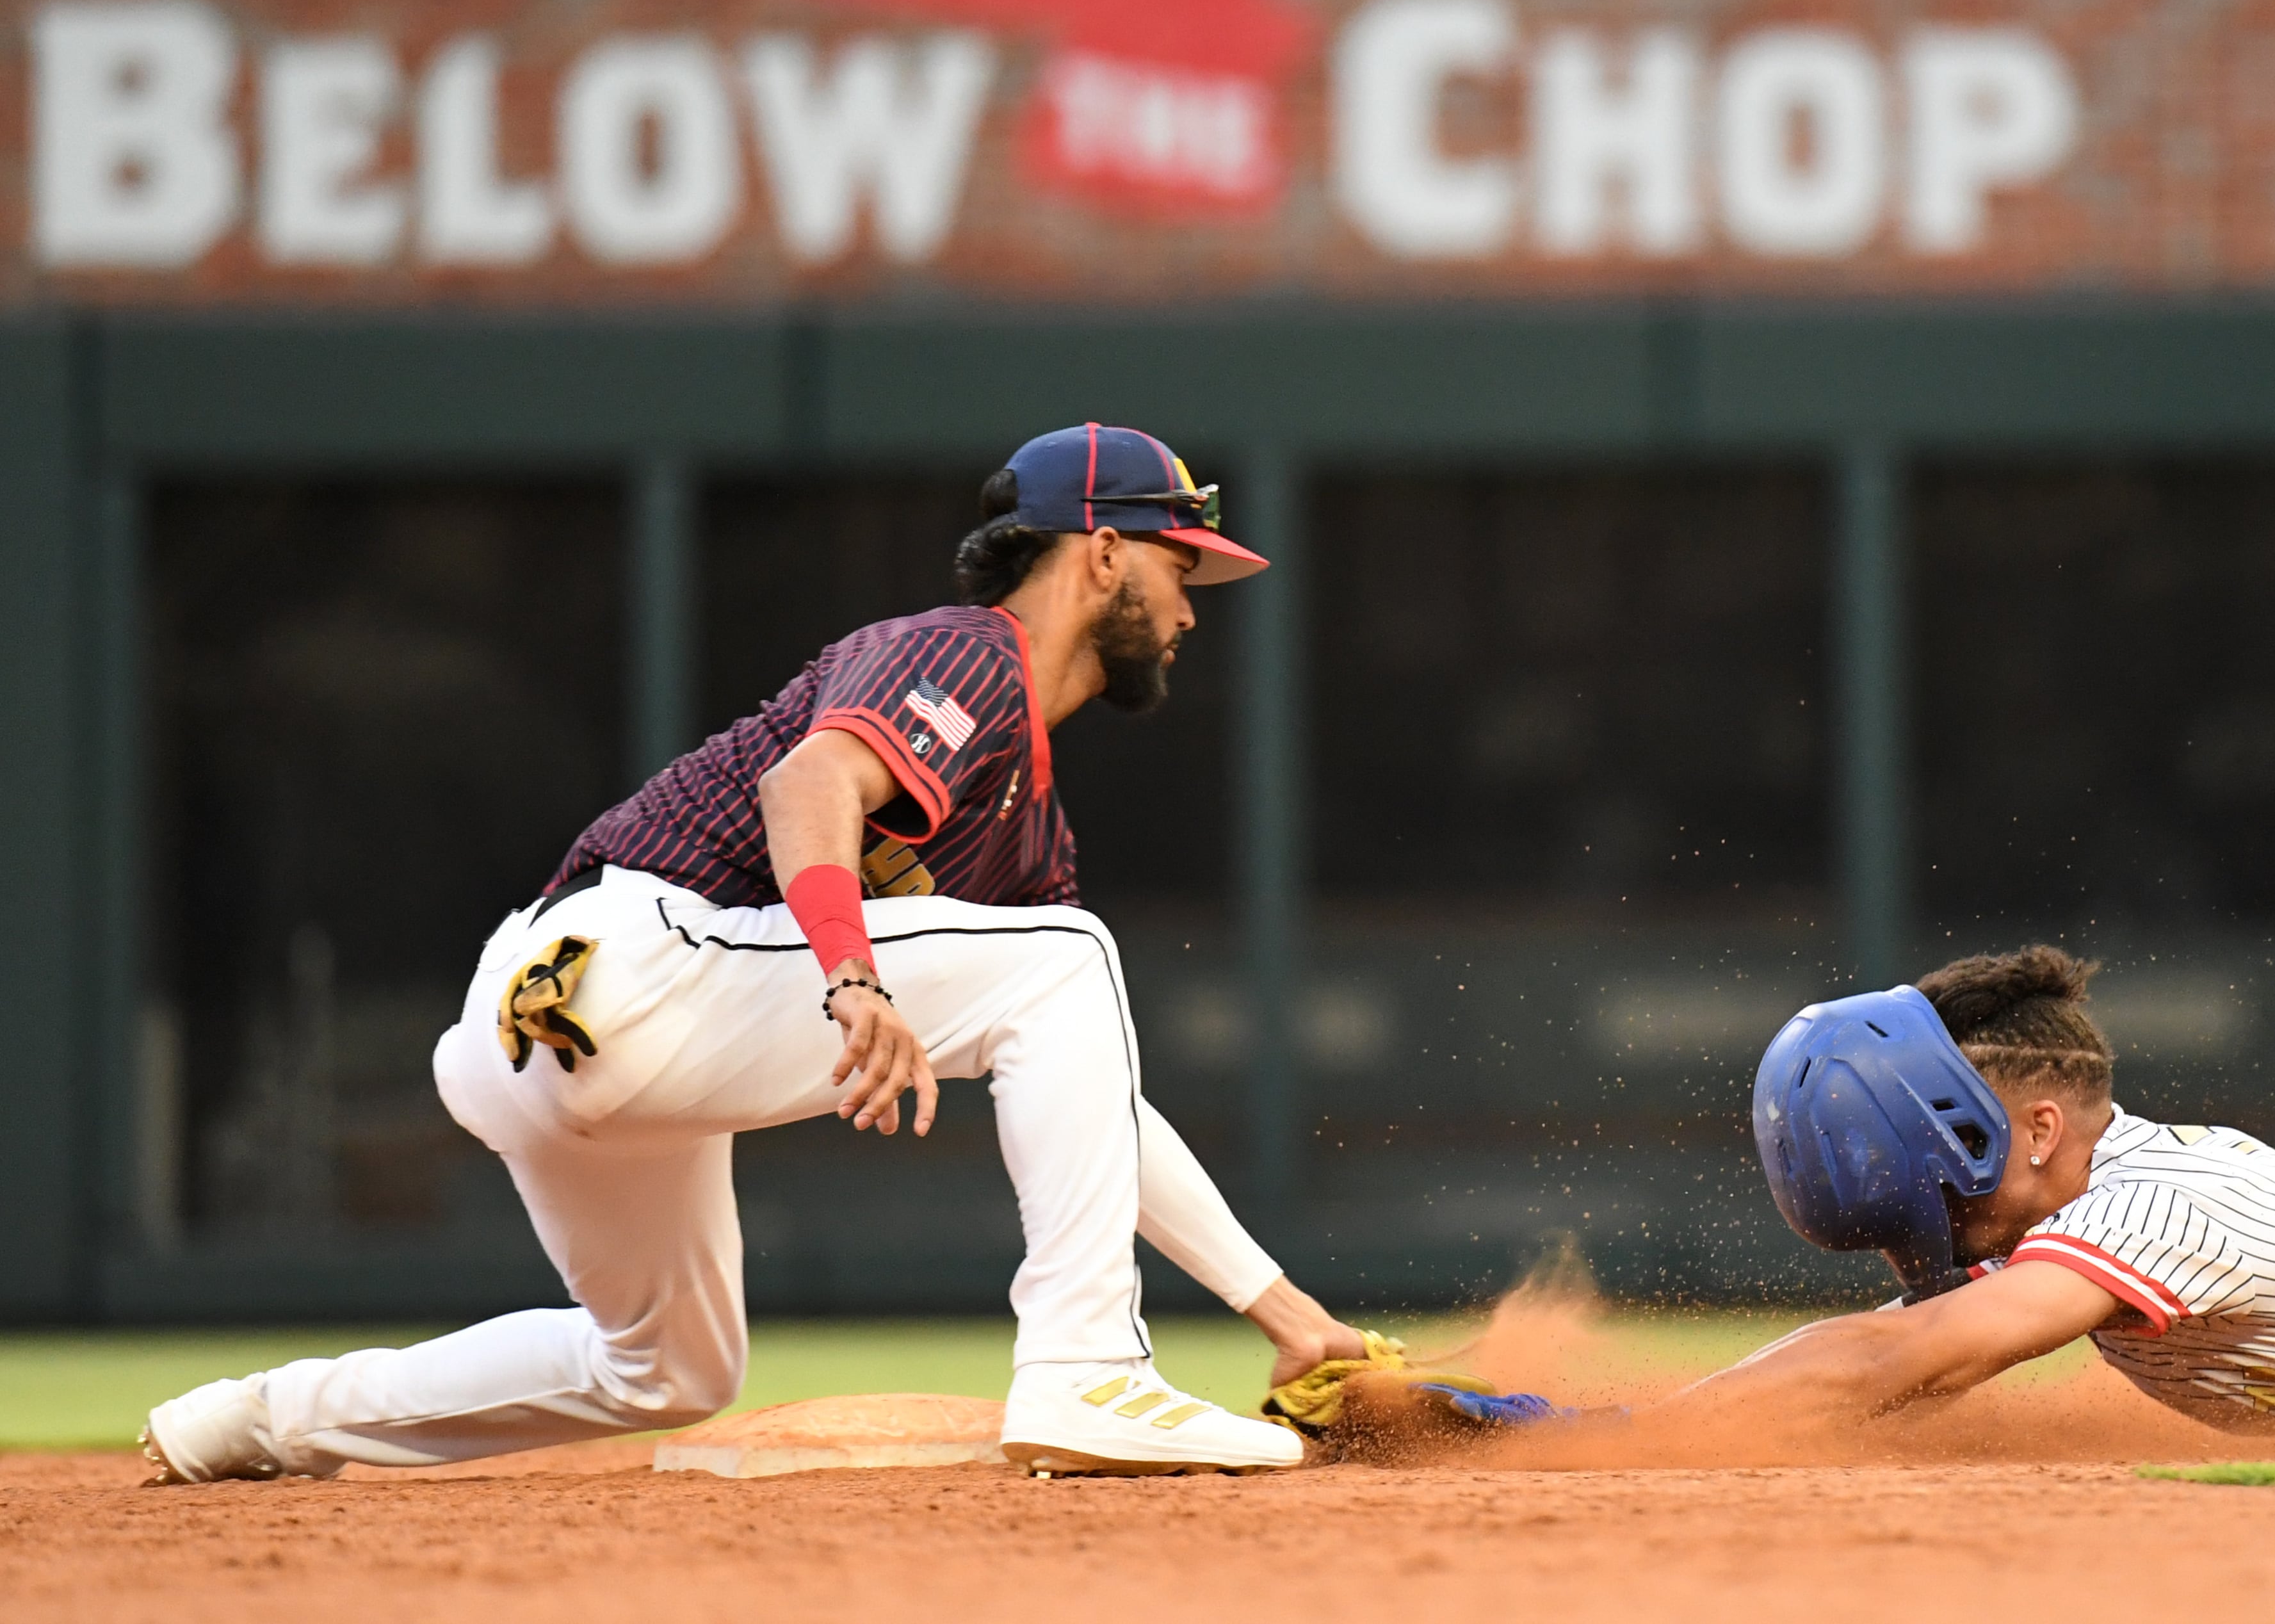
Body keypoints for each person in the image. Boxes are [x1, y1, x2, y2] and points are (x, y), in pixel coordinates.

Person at [142, 423, 1366, 1482]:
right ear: (1102, 550)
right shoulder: (964, 649)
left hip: (548, 1036)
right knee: (1065, 956)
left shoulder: (1028, 831)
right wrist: (850, 976)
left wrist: (1286, 1311)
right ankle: (1089, 1369)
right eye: (1178, 560)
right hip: (630, 961)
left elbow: (1099, 1101)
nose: (1193, 601)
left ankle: (262, 1419)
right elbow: (811, 782)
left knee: (666, 1369)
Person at [1678, 945, 2275, 1435]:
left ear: (2041, 1133)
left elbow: (1907, 1357)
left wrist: (1612, 1429)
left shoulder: (2153, 1207)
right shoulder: (2054, 1218)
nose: (1932, 1201)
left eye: (1951, 1160)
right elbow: (1869, 1356)